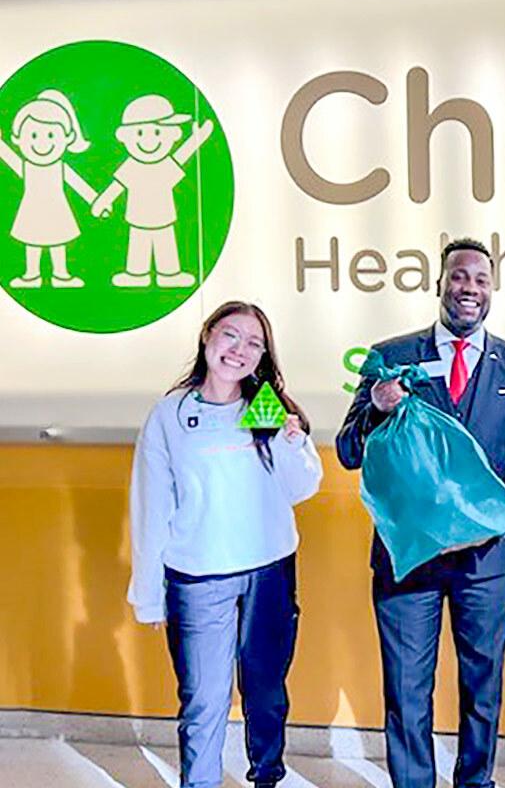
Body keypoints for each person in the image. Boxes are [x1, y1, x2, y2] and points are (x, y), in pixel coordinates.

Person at [336, 237, 505, 788]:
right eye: (459, 276)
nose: (468, 288)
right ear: (439, 284)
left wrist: (488, 518)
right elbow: (349, 451)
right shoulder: (393, 356)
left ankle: (475, 781)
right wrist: (376, 409)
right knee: (406, 688)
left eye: (480, 279)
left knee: (483, 686)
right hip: (409, 559)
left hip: (488, 562)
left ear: (491, 290)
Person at [127, 300, 323, 788]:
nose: (240, 350)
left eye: (254, 343)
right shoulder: (170, 415)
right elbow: (151, 507)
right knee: (203, 699)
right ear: (207, 335)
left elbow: (300, 488)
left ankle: (266, 778)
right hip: (197, 578)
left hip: (269, 572)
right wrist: (149, 593)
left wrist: (291, 440)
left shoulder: (265, 405)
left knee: (265, 693)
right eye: (231, 336)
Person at [92, 94, 214, 288]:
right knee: (138, 245)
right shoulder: (131, 166)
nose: (149, 140)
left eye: (157, 132)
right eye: (141, 133)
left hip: (164, 217)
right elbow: (117, 186)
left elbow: (182, 155)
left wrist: (197, 139)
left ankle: (170, 274)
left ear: (172, 134)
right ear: (125, 137)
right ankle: (136, 274)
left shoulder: (165, 164)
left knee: (165, 243)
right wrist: (102, 202)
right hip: (137, 217)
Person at [0, 89, 97, 288]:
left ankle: (61, 274)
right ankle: (31, 274)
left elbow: (78, 184)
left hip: (57, 210)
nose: (42, 143)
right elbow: (9, 159)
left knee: (58, 241)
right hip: (31, 210)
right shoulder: (27, 166)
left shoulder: (60, 167)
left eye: (51, 135)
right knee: (32, 242)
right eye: (34, 135)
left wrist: (96, 200)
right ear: (18, 139)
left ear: (67, 138)